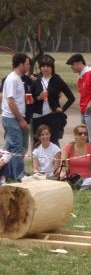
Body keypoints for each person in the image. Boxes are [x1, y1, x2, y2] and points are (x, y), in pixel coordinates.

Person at [66, 53, 91, 172]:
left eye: (72, 65)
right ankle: (89, 166)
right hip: (84, 110)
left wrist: (90, 104)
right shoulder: (80, 77)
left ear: (79, 63)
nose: (71, 68)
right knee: (85, 139)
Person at [32, 55, 75, 146]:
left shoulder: (57, 79)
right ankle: (37, 160)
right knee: (37, 143)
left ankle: (56, 160)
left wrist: (62, 109)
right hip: (37, 117)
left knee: (53, 142)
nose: (45, 69)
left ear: (52, 67)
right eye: (43, 66)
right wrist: (39, 97)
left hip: (52, 116)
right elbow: (30, 99)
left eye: (48, 66)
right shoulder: (35, 79)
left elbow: (71, 97)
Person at [2, 53, 30, 181]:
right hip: (12, 118)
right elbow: (11, 101)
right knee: (16, 147)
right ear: (20, 64)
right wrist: (21, 119)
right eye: (27, 63)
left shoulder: (19, 78)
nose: (29, 66)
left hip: (16, 118)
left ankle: (7, 173)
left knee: (11, 147)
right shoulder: (12, 79)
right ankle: (19, 176)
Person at [59, 124, 91, 190]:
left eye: (85, 134)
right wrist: (63, 172)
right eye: (80, 133)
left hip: (86, 179)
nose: (83, 135)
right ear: (75, 135)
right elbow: (63, 164)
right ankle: (81, 187)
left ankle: (77, 187)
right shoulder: (69, 147)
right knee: (62, 178)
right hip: (72, 178)